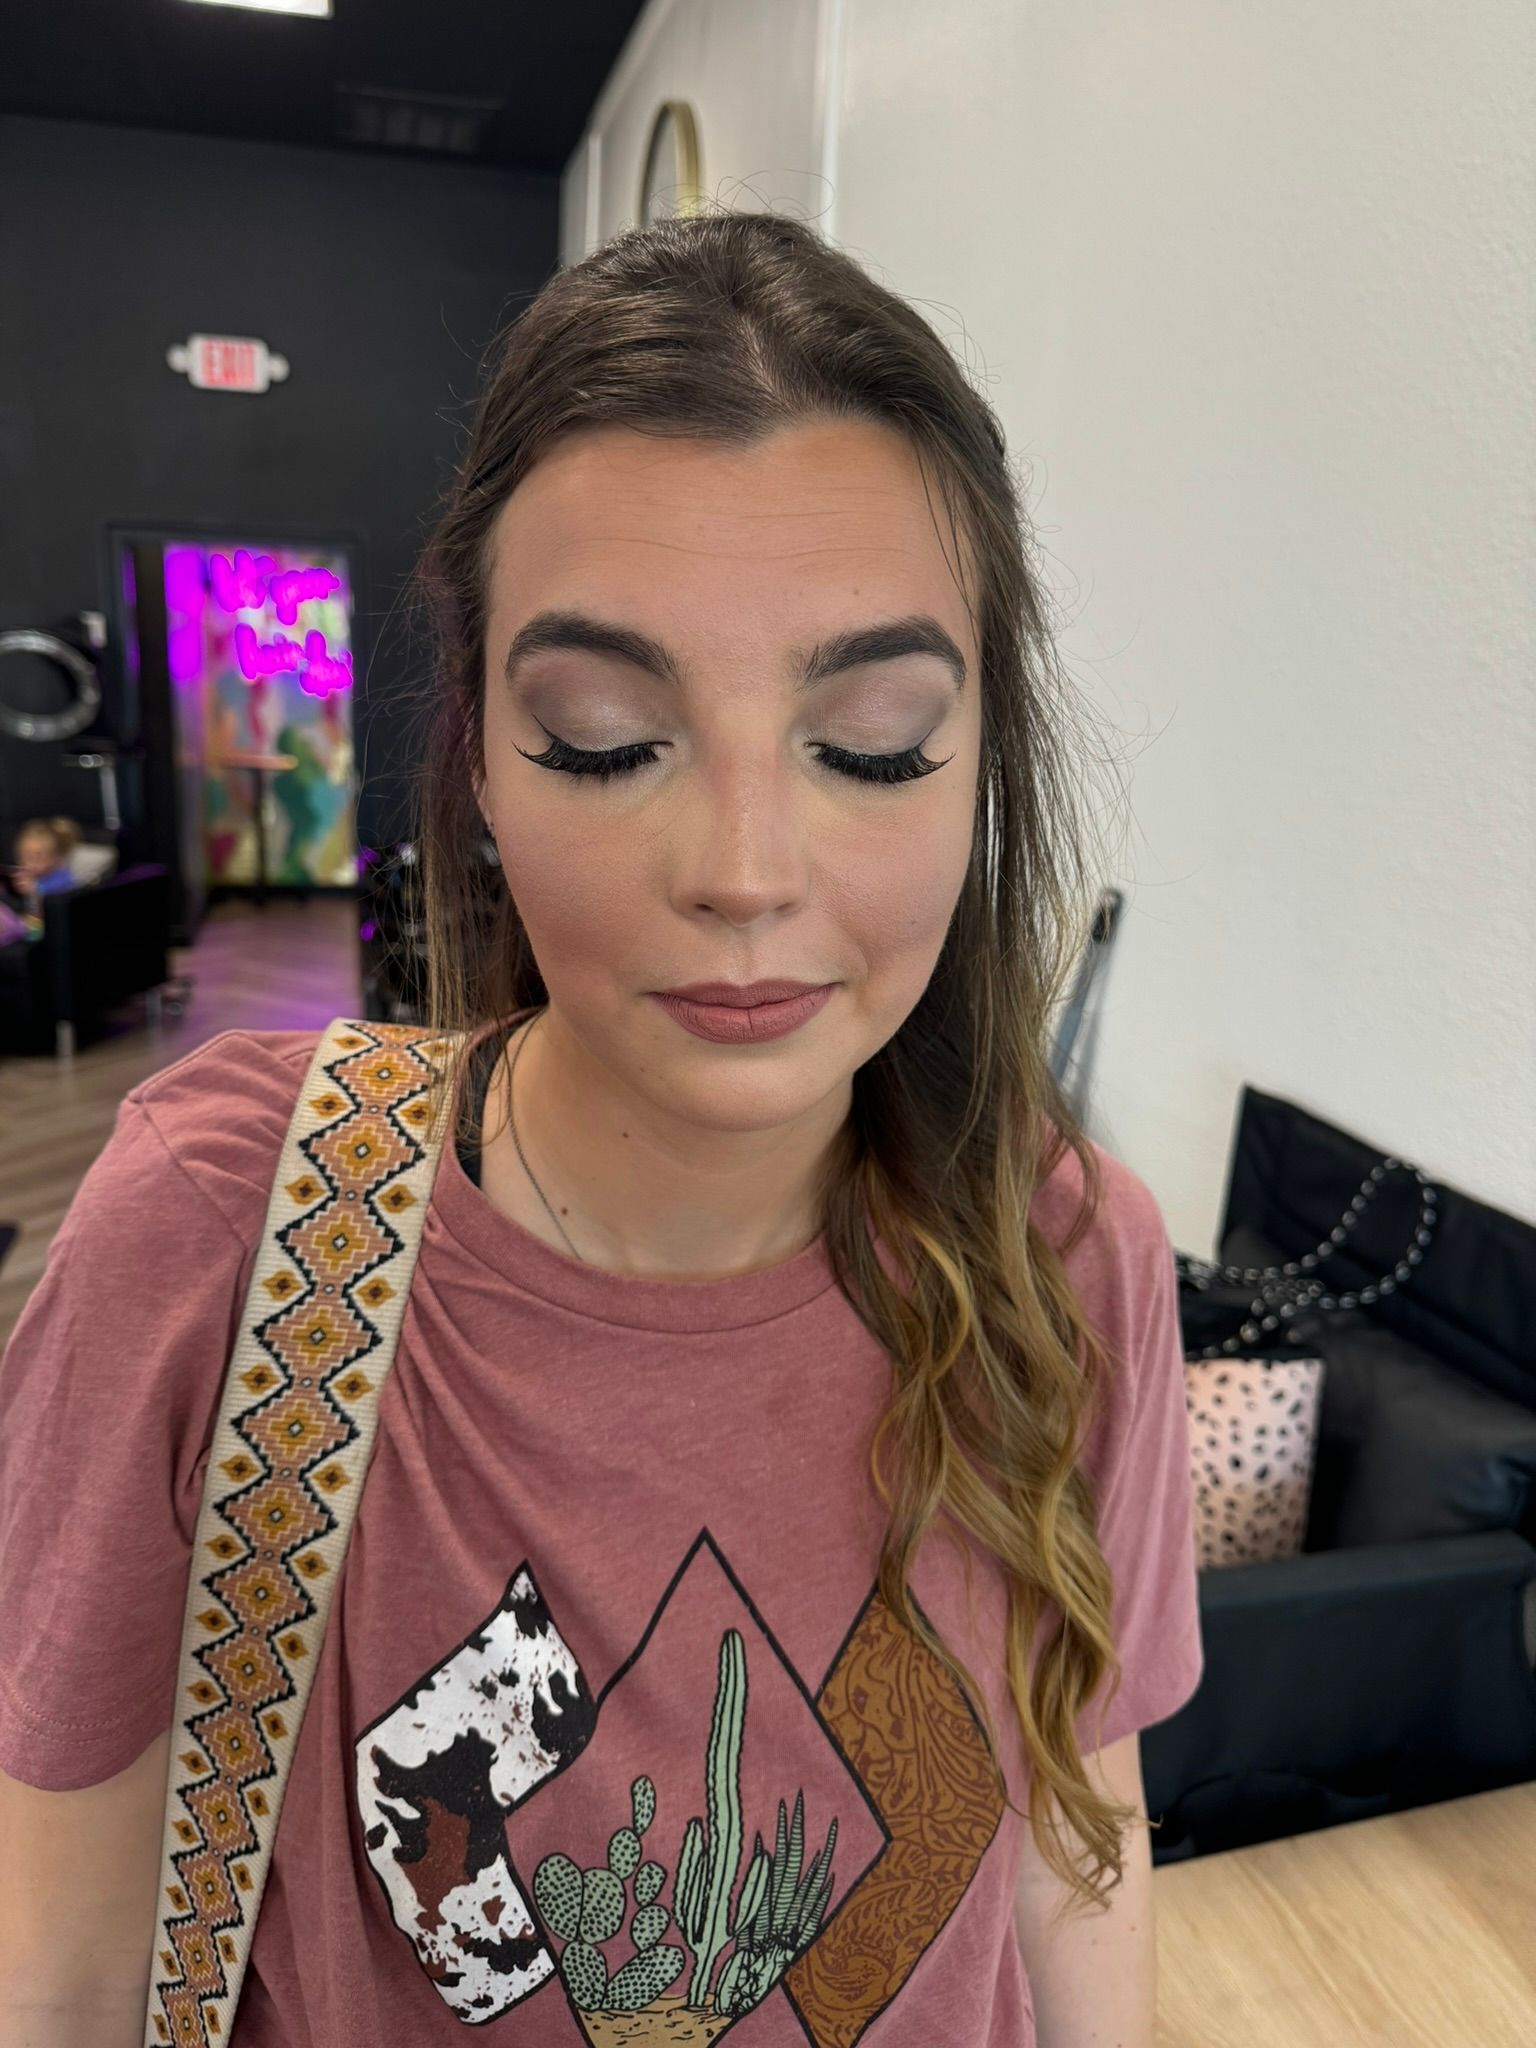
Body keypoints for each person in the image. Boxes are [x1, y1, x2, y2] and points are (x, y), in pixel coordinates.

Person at [0, 210, 1202, 2048]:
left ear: (982, 768)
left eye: (871, 743)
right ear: (478, 753)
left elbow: (1072, 1844)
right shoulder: (219, 1235)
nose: (741, 873)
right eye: (603, 736)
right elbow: (63, 1978)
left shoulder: (1067, 1258)